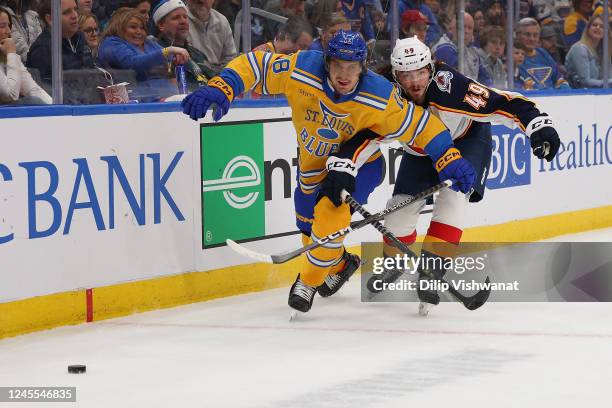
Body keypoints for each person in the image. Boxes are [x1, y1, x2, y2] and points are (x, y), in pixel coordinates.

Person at [181, 30, 476, 314]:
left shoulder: (380, 94)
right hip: (312, 166)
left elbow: (422, 126)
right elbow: (256, 66)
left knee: (329, 212)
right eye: (337, 65)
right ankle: (341, 264)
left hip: (360, 166)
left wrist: (448, 157)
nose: (344, 75)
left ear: (363, 67)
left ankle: (307, 282)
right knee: (309, 229)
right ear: (326, 62)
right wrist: (224, 86)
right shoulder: (302, 68)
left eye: (352, 67)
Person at [358, 36, 560, 315]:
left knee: (452, 200)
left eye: (420, 72)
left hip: (465, 142)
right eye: (406, 75)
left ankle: (432, 273)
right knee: (397, 211)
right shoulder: (388, 96)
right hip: (420, 151)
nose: (415, 82)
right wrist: (343, 165)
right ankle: (394, 264)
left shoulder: (452, 88)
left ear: (430, 68)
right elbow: (364, 134)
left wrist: (538, 125)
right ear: (395, 75)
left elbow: (502, 103)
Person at [97, 7, 189, 100]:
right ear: (118, 27)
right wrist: (167, 51)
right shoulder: (111, 43)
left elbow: (168, 57)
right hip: (139, 103)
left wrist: (175, 59)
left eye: (142, 28)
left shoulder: (148, 43)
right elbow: (133, 63)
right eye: (133, 27)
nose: (139, 32)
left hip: (169, 96)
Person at [26, 0, 94, 84]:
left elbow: (91, 72)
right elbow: (47, 90)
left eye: (75, 9)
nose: (75, 15)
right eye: (67, 12)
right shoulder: (42, 49)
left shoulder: (80, 37)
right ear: (50, 19)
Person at [153, 0, 213, 91]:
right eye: (176, 18)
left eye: (185, 17)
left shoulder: (197, 53)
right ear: (161, 25)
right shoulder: (157, 54)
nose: (183, 21)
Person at [0, 5, 50, 104]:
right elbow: (11, 95)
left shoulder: (8, 56)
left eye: (8, 26)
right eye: (2, 26)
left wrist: (57, 107)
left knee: (38, 100)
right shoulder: (11, 54)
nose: (8, 31)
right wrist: (11, 53)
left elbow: (33, 90)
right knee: (30, 102)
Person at [432, 11, 492, 86]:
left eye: (470, 28)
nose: (466, 31)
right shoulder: (444, 50)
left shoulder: (473, 52)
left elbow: (485, 79)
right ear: (452, 29)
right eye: (463, 27)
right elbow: (455, 85)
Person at [516, 17, 570, 89]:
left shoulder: (543, 53)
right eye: (527, 35)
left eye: (535, 35)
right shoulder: (514, 57)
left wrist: (565, 89)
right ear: (517, 35)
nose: (532, 39)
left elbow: (558, 78)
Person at [185, 0, 237, 76]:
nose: (201, 1)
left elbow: (230, 58)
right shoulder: (180, 20)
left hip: (219, 78)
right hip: (191, 76)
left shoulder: (222, 21)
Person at [565, 14, 612, 88]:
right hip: (579, 93)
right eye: (594, 25)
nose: (598, 28)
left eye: (602, 26)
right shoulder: (579, 49)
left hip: (599, 92)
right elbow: (586, 82)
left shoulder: (604, 51)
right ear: (588, 29)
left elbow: (609, 76)